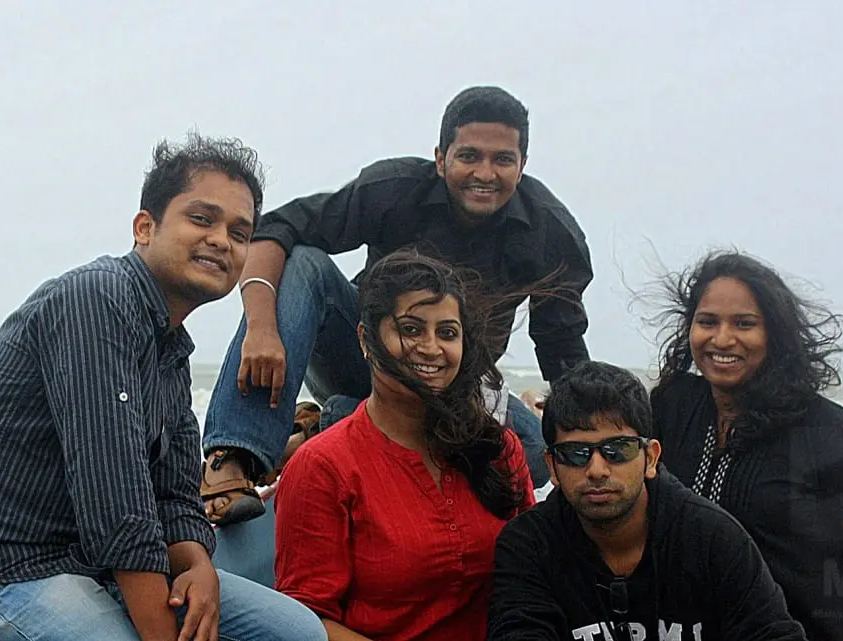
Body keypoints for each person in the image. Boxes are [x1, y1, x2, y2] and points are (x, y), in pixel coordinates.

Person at [0, 134, 326, 641]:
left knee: (298, 633)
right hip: (2, 567)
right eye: (202, 219)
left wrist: (198, 565)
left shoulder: (171, 348)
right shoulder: (96, 299)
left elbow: (175, 492)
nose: (222, 240)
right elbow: (115, 499)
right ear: (145, 227)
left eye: (239, 232)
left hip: (96, 564)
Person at [200, 85, 593, 525]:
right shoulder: (392, 190)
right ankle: (234, 456)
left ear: (522, 166)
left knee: (537, 452)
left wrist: (594, 433)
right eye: (469, 156)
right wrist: (262, 328)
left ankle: (329, 425)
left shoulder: (550, 233)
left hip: (455, 385)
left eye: (502, 159)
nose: (484, 173)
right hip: (365, 359)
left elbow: (562, 348)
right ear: (440, 159)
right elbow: (275, 230)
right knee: (307, 261)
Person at [649, 250, 843, 641]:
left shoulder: (826, 432)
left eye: (744, 324)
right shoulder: (673, 408)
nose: (722, 339)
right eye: (707, 322)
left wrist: (806, 601)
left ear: (775, 334)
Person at [274, 249, 536, 640]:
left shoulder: (497, 449)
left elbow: (534, 574)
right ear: (366, 339)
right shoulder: (323, 467)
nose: (430, 348)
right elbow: (305, 624)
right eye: (411, 329)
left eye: (447, 333)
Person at [487, 360, 807, 641]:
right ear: (552, 466)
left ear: (650, 457)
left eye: (618, 450)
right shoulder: (528, 546)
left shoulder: (712, 539)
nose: (597, 470)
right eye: (575, 454)